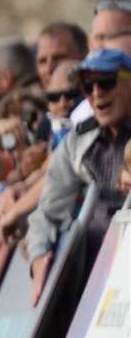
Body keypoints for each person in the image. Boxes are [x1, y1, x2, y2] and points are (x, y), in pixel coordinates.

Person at [25, 47, 131, 303]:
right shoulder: (77, 142)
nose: (96, 94)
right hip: (96, 286)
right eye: (87, 86)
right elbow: (47, 212)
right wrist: (38, 255)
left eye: (106, 82)